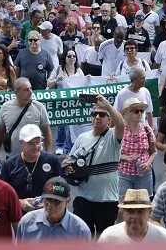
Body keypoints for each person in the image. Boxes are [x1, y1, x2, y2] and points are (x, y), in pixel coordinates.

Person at [68, 95, 125, 237]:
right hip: (83, 198)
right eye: (94, 114)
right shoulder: (82, 138)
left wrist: (107, 106)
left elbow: (121, 124)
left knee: (104, 239)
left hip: (107, 200)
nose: (97, 117)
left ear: (109, 119)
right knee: (82, 237)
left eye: (102, 114)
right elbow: (70, 160)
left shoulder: (113, 136)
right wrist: (68, 168)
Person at [0, 124, 63, 213]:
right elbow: (3, 194)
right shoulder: (9, 165)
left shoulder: (52, 160)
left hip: (48, 213)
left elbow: (61, 188)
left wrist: (48, 200)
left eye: (37, 142)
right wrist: (19, 202)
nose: (35, 146)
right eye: (30, 143)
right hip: (20, 214)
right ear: (21, 143)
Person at [0, 77, 53, 160]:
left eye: (30, 88)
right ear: (16, 92)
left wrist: (48, 155)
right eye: (26, 90)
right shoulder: (5, 107)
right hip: (13, 157)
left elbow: (47, 132)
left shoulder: (39, 107)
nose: (30, 92)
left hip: (36, 157)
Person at [16, 176, 91, 241]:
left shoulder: (80, 230)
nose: (51, 204)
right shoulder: (26, 222)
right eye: (47, 199)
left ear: (68, 200)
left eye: (57, 201)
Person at [117, 98, 156, 206]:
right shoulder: (120, 130)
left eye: (141, 111)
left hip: (144, 174)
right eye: (136, 111)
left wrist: (148, 163)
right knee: (123, 208)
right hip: (124, 174)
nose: (139, 113)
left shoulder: (147, 130)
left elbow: (154, 152)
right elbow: (112, 153)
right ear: (127, 113)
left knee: (144, 207)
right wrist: (125, 158)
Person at [99, 189, 166, 243]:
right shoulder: (108, 237)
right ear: (123, 212)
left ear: (149, 212)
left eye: (140, 211)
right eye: (130, 211)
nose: (135, 216)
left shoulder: (163, 238)